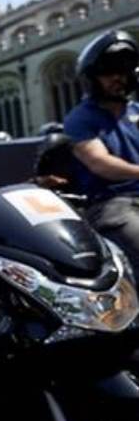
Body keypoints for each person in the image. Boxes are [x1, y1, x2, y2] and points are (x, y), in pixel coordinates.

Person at [64, 29, 139, 273]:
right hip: (112, 204)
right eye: (108, 72)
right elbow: (99, 162)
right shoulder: (80, 118)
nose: (118, 78)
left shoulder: (136, 111)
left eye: (123, 71)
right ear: (93, 78)